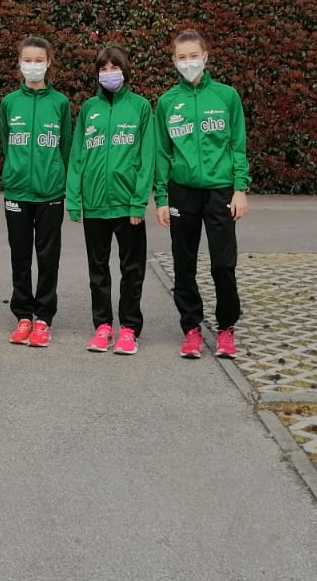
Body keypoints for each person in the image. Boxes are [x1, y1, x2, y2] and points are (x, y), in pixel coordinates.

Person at [155, 29, 250, 360]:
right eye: (182, 57)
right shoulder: (167, 102)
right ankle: (191, 329)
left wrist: (240, 188)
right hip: (182, 192)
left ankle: (226, 328)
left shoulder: (226, 97)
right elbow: (162, 153)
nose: (188, 62)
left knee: (223, 264)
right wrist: (161, 198)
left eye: (194, 55)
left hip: (220, 191)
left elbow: (237, 145)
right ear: (173, 61)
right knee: (184, 264)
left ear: (205, 57)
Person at [65, 45, 156, 356]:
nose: (109, 73)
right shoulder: (89, 109)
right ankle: (103, 326)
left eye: (114, 68)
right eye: (103, 69)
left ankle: (129, 328)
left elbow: (147, 157)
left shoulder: (140, 107)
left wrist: (138, 202)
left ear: (124, 71)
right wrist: (74, 199)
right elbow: (78, 156)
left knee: (132, 270)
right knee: (98, 270)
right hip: (94, 205)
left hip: (127, 205)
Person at [0, 36, 73, 347]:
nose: (33, 66)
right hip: (17, 192)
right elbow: (6, 142)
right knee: (20, 256)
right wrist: (14, 172)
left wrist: (59, 180)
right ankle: (23, 316)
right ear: (19, 63)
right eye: (27, 60)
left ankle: (43, 318)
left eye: (38, 60)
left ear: (48, 63)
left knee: (47, 257)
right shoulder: (9, 102)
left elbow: (65, 147)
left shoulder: (60, 103)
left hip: (50, 192)